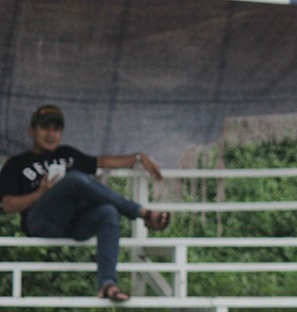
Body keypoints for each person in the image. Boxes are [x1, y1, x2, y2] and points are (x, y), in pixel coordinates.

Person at [0, 104, 170, 302]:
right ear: (32, 130)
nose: (50, 134)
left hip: (75, 224)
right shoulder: (17, 164)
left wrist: (139, 157)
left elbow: (102, 162)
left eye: (56, 129)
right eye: (45, 128)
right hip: (42, 223)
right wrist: (40, 193)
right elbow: (7, 206)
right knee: (74, 179)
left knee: (108, 211)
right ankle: (141, 213)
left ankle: (107, 284)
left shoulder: (67, 154)